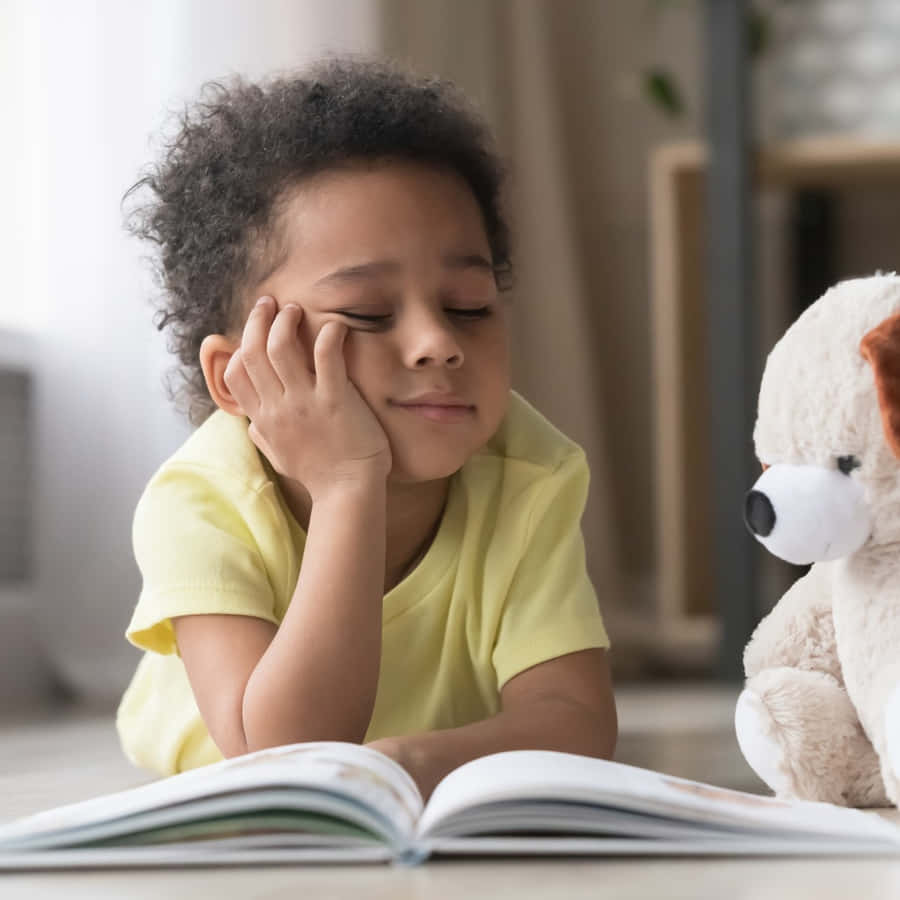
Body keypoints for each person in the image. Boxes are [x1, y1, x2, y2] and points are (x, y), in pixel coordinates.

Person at [116, 56, 616, 800]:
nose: (436, 342)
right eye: (368, 316)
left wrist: (409, 762)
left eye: (470, 304)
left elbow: (577, 720)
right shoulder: (198, 501)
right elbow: (288, 756)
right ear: (238, 377)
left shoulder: (529, 473)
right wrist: (351, 484)